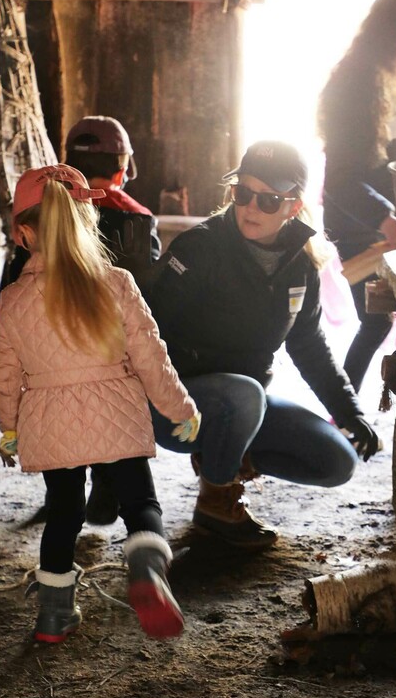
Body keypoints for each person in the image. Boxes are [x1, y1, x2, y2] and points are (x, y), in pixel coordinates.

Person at [0, 164, 201, 643]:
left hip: (50, 423)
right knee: (140, 501)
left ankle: (53, 617)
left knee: (64, 512)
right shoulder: (118, 283)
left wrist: (11, 426)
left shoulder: (13, 300)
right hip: (117, 416)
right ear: (88, 219)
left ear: (23, 234)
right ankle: (146, 567)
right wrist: (180, 407)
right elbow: (151, 356)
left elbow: (2, 373)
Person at [145, 140, 380, 552]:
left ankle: (226, 458)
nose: (252, 207)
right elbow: (146, 330)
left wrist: (349, 411)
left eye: (269, 200)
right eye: (243, 193)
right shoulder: (199, 248)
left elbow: (309, 344)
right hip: (177, 407)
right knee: (244, 392)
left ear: (293, 205)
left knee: (337, 461)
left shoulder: (300, 263)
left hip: (243, 407)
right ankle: (216, 502)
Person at [10, 115, 162, 526]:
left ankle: (63, 498)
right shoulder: (139, 218)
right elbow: (150, 296)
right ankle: (109, 486)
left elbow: (16, 288)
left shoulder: (38, 217)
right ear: (121, 166)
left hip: (49, 360)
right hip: (115, 354)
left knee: (61, 426)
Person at [317, 0, 396, 393]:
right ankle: (343, 410)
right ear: (384, 34)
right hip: (353, 217)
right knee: (374, 320)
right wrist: (385, 217)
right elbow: (342, 178)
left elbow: (388, 155)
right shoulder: (354, 84)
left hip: (388, 217)